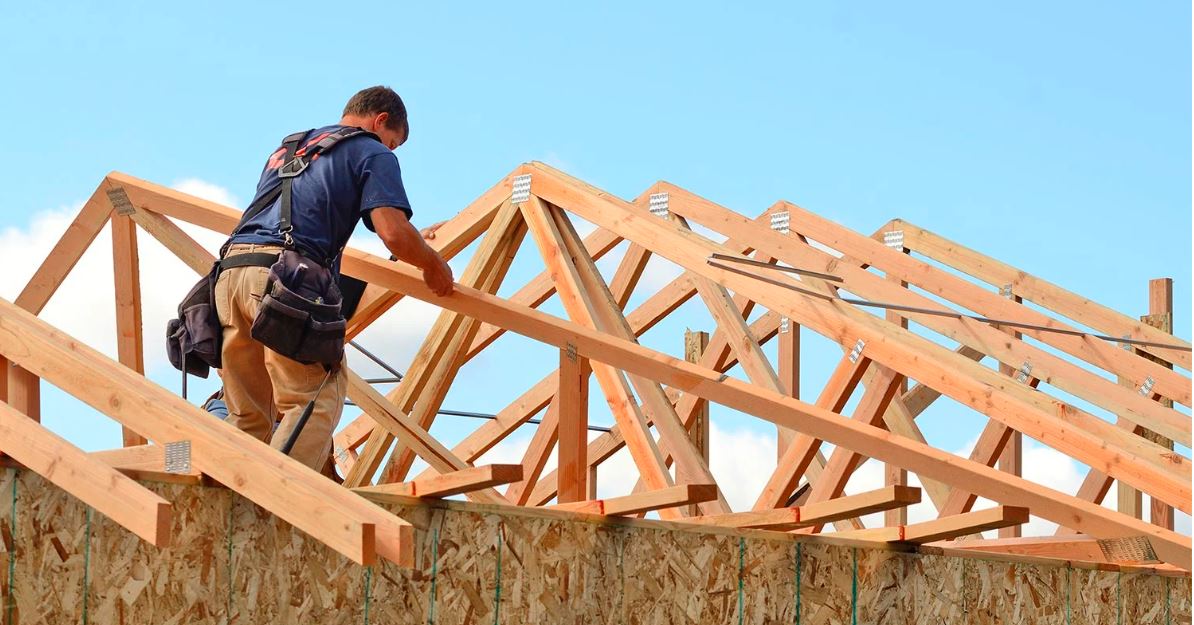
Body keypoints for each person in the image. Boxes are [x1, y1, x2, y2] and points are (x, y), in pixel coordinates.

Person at [213, 85, 453, 472]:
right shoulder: (371, 150)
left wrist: (404, 250)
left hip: (231, 275)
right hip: (284, 278)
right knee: (316, 398)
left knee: (250, 414)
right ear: (381, 121)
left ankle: (238, 505)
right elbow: (391, 230)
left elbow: (303, 215)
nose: (390, 151)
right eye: (394, 142)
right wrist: (432, 264)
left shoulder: (291, 148)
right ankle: (278, 503)